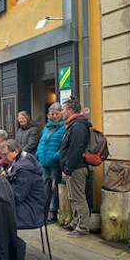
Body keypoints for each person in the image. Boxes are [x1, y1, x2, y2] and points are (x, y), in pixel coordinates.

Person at [59, 96, 91, 237]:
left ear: (71, 110)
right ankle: (75, 222)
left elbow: (75, 149)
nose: (61, 112)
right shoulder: (73, 124)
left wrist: (68, 169)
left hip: (76, 168)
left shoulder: (77, 126)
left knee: (79, 198)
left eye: (63, 110)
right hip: (73, 167)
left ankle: (83, 227)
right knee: (73, 197)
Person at [1, 140, 46, 229]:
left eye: (5, 155)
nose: (3, 158)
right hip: (32, 205)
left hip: (31, 212)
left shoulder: (24, 169)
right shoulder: (26, 159)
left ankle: (12, 242)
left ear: (16, 151)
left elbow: (16, 197)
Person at [36, 102, 66, 222]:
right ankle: (45, 209)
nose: (54, 116)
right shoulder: (47, 126)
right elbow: (42, 141)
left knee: (54, 187)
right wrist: (38, 154)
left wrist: (55, 156)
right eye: (52, 114)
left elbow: (64, 145)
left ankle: (53, 211)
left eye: (57, 114)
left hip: (54, 162)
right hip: (44, 161)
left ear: (61, 113)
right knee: (45, 186)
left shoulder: (64, 127)